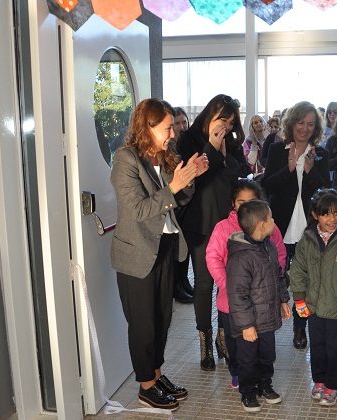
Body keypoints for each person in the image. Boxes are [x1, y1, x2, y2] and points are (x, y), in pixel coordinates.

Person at [110, 98, 208, 410]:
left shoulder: (165, 156)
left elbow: (178, 201)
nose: (173, 133)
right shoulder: (125, 160)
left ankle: (156, 373)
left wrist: (190, 177)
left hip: (166, 246)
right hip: (137, 252)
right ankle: (145, 385)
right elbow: (139, 209)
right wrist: (175, 185)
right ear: (147, 127)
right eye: (167, 127)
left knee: (162, 318)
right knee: (143, 323)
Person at [176, 94, 251, 372]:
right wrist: (211, 147)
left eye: (231, 122)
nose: (227, 126)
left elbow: (240, 174)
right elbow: (192, 179)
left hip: (228, 225)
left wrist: (223, 152)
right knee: (204, 284)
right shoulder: (189, 141)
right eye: (222, 119)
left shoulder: (232, 144)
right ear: (209, 115)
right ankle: (205, 344)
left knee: (227, 283)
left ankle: (223, 337)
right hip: (200, 224)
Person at [205, 180, 287, 390]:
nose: (246, 207)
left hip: (263, 301)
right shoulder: (224, 228)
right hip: (232, 302)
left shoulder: (270, 227)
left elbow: (279, 255)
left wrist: (277, 291)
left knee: (263, 342)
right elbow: (213, 257)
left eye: (252, 202)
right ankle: (238, 373)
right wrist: (227, 285)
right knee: (236, 342)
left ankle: (261, 376)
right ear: (233, 203)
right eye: (241, 202)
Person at [261, 101, 330, 349]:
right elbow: (267, 185)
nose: (305, 128)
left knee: (305, 281)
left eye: (310, 124)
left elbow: (326, 192)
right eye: (301, 122)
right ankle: (266, 323)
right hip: (280, 224)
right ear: (292, 123)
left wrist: (310, 172)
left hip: (308, 228)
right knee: (274, 276)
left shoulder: (319, 153)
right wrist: (289, 168)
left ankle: (300, 329)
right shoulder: (278, 150)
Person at [289, 189, 337, 406]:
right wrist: (299, 299)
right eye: (326, 214)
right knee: (318, 347)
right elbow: (298, 270)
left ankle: (334, 385)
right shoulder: (307, 239)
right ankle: (320, 380)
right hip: (312, 307)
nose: (332, 219)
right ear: (315, 215)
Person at [226, 200, 291, 413]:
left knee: (267, 355)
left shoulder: (269, 247)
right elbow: (237, 295)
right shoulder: (241, 257)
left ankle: (265, 385)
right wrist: (246, 325)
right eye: (271, 218)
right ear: (261, 225)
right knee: (247, 359)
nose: (274, 221)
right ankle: (248, 391)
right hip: (249, 324)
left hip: (267, 319)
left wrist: (283, 299)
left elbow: (278, 276)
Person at [172, 106, 195, 304]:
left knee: (185, 245)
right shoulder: (170, 147)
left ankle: (183, 280)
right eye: (178, 123)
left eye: (184, 121)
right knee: (176, 247)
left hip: (187, 201)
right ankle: (176, 285)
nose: (182, 126)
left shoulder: (189, 144)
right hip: (173, 203)